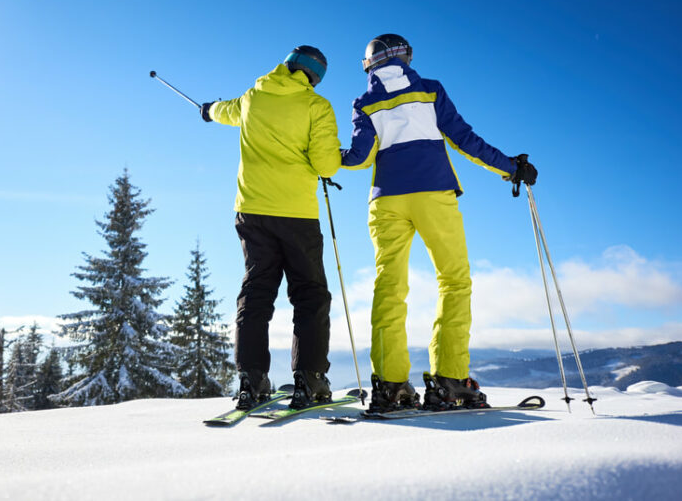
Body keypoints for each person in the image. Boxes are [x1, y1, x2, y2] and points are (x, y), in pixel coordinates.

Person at [340, 34, 537, 412]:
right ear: (406, 57)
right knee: (454, 280)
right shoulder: (430, 90)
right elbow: (464, 139)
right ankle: (449, 382)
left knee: (389, 287)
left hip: (386, 201)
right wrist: (511, 168)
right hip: (434, 193)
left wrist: (324, 157)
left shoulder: (364, 102)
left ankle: (390, 386)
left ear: (368, 66)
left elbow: (360, 158)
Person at [202, 46, 343, 409]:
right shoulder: (316, 106)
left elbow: (225, 111)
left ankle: (251, 378)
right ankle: (310, 378)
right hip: (296, 213)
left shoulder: (253, 97)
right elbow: (327, 164)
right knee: (310, 293)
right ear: (314, 76)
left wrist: (208, 110)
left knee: (258, 290)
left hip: (251, 211)